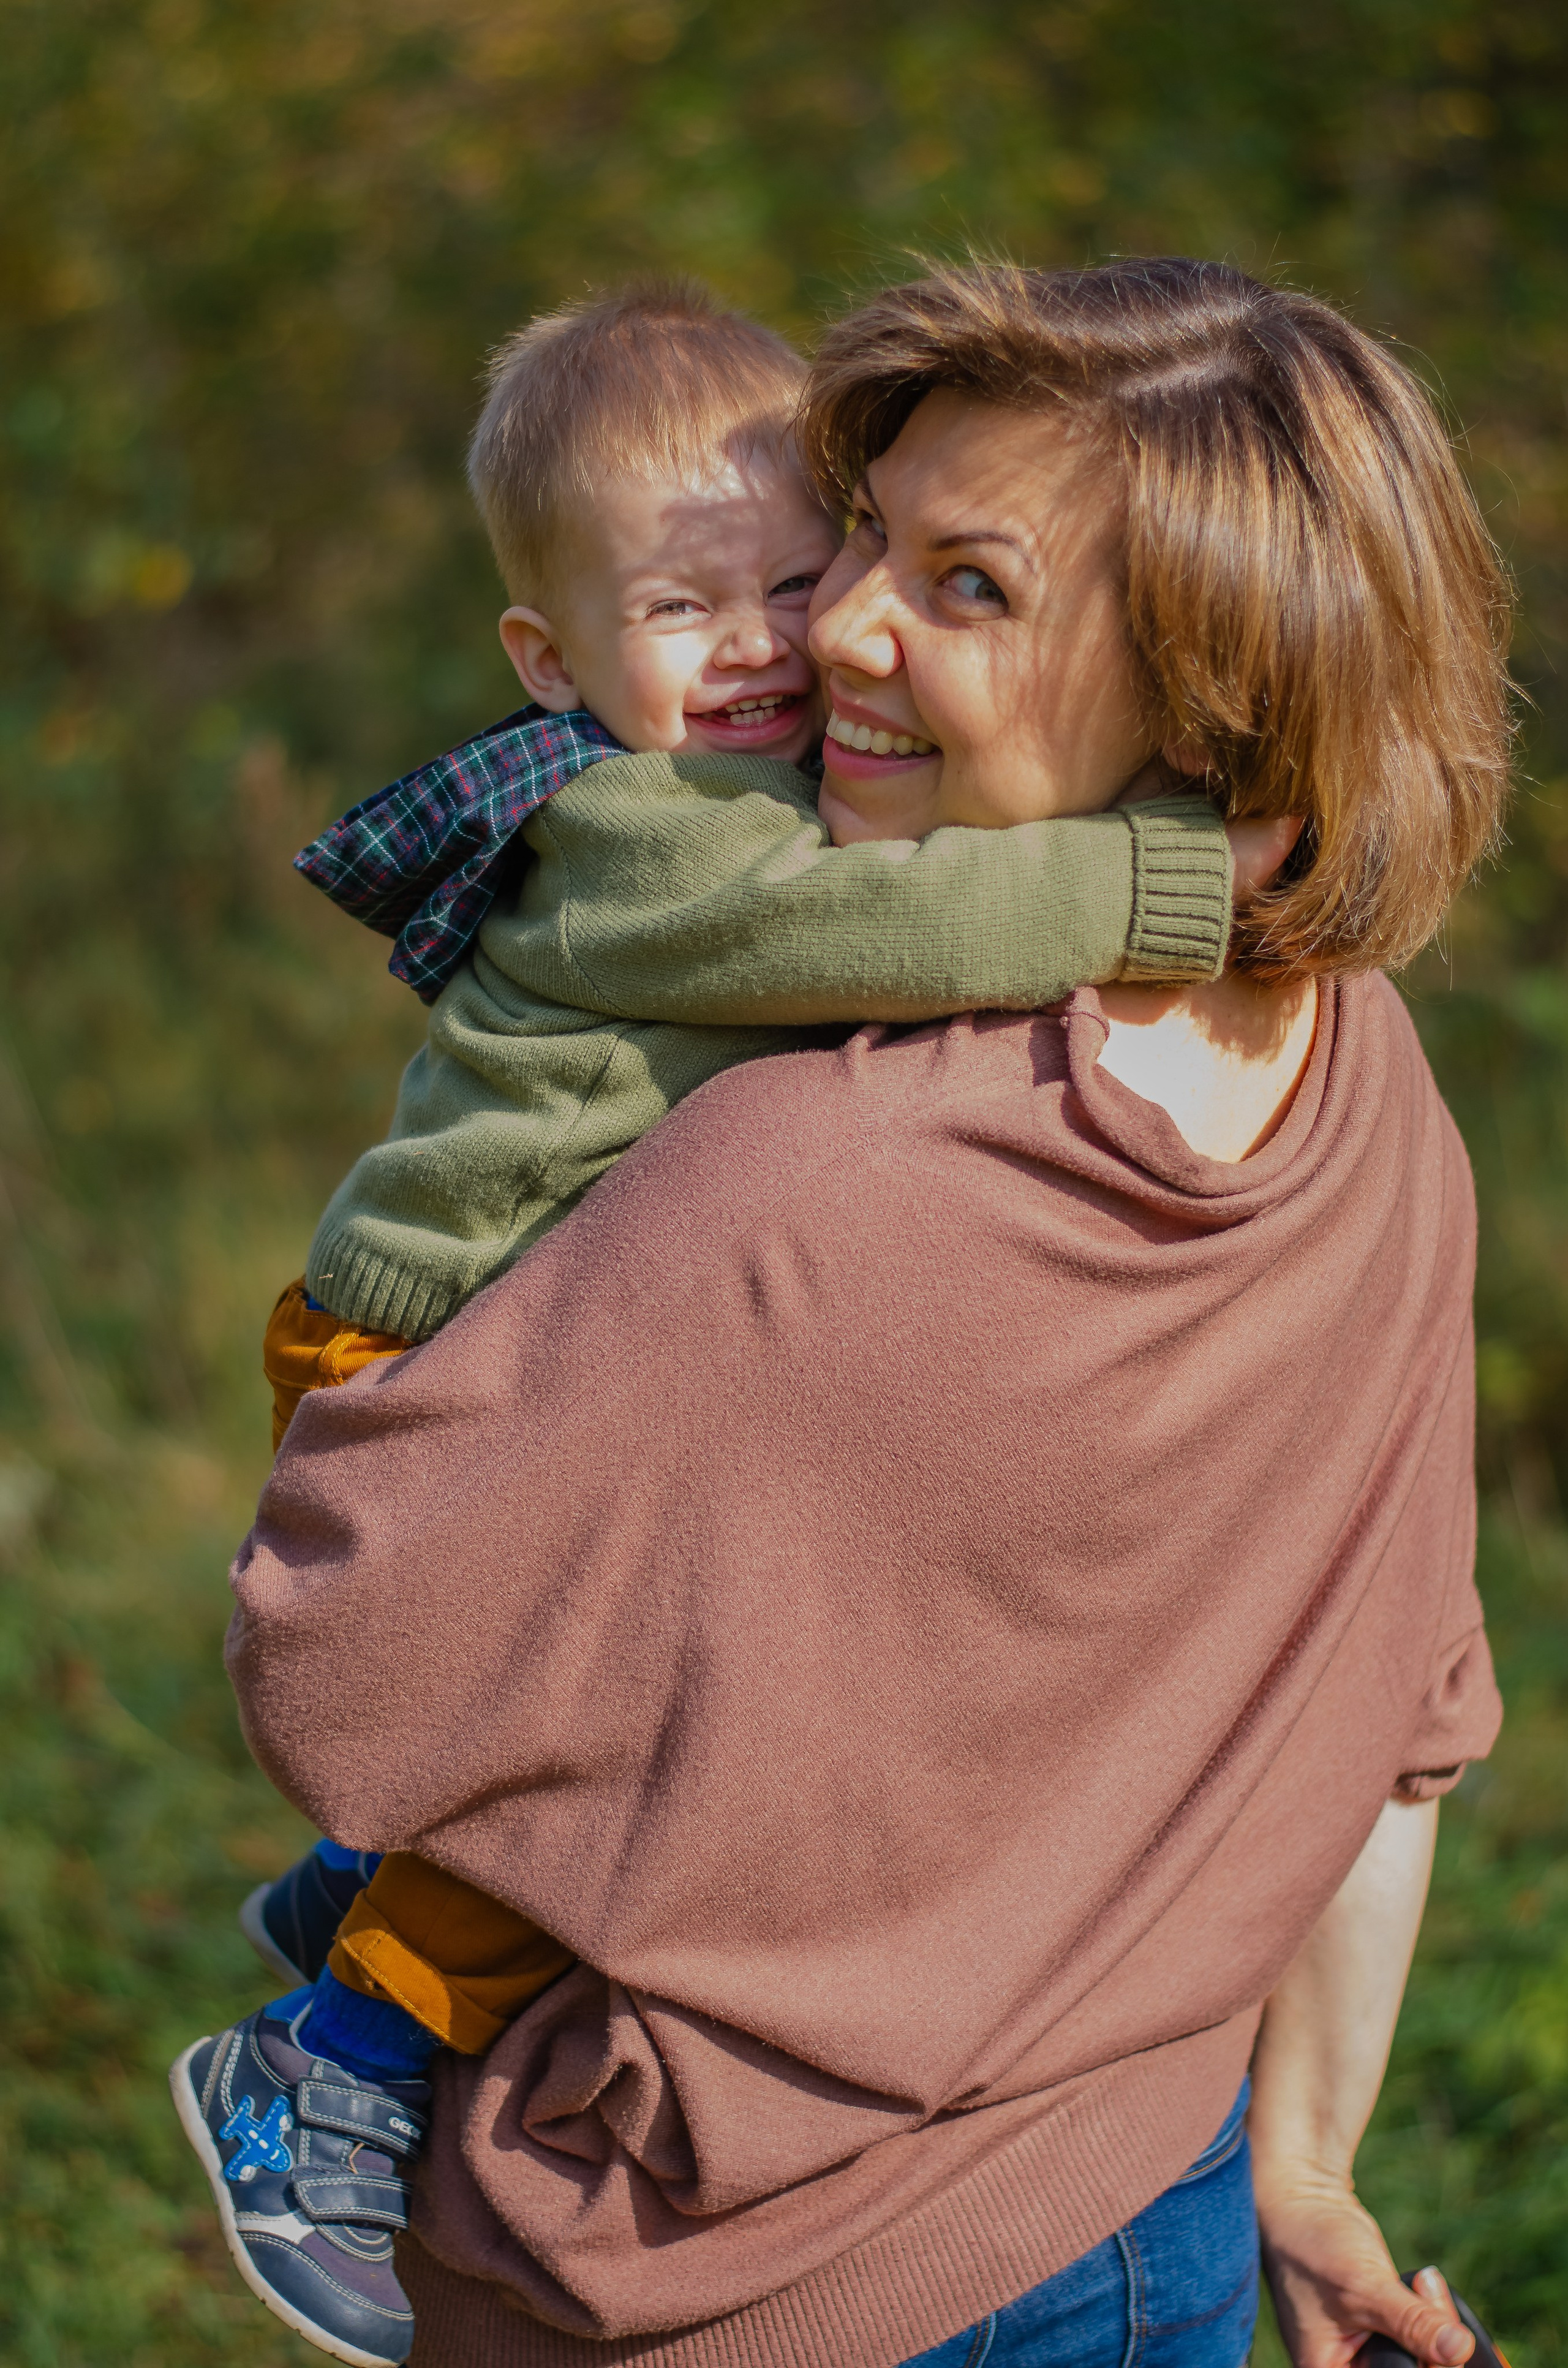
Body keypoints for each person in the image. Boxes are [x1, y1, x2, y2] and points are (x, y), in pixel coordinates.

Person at [214, 258, 1509, 2368]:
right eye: (873, 542)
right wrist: (1306, 2160)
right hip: (1153, 2197)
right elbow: (1405, 1722)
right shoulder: (1373, 1089)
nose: (834, 628)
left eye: (967, 586)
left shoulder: (792, 1192)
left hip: (731, 2279)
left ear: (1209, 697)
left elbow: (341, 1677)